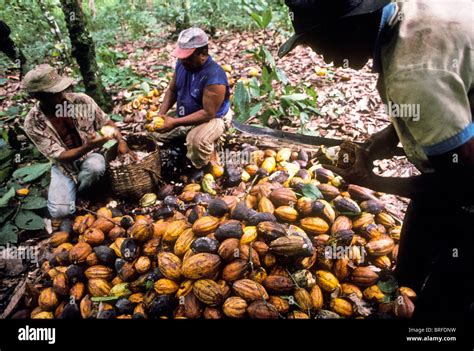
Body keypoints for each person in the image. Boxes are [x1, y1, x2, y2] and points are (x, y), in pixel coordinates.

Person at [279, 0, 474, 320]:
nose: (322, 57)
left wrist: (371, 180)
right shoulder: (410, 13)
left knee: (443, 305)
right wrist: (381, 141)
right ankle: (403, 287)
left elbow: (463, 183)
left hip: (466, 182)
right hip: (456, 161)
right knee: (408, 269)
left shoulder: (412, 74)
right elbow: (445, 87)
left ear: (352, 26)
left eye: (319, 42)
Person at [22, 64, 132, 226]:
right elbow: (60, 156)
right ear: (37, 96)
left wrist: (122, 141)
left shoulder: (81, 101)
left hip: (90, 157)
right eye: (53, 93)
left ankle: (84, 192)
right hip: (64, 166)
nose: (60, 95)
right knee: (60, 212)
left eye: (61, 89)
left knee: (95, 166)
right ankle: (71, 187)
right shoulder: (33, 122)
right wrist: (88, 146)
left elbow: (107, 122)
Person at [153, 27, 231, 180]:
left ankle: (203, 165)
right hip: (185, 113)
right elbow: (172, 90)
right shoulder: (182, 65)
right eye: (181, 56)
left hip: (213, 117)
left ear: (202, 53)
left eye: (187, 57)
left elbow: (208, 113)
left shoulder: (214, 75)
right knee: (153, 132)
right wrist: (161, 114)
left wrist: (174, 123)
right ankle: (182, 149)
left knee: (197, 142)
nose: (182, 60)